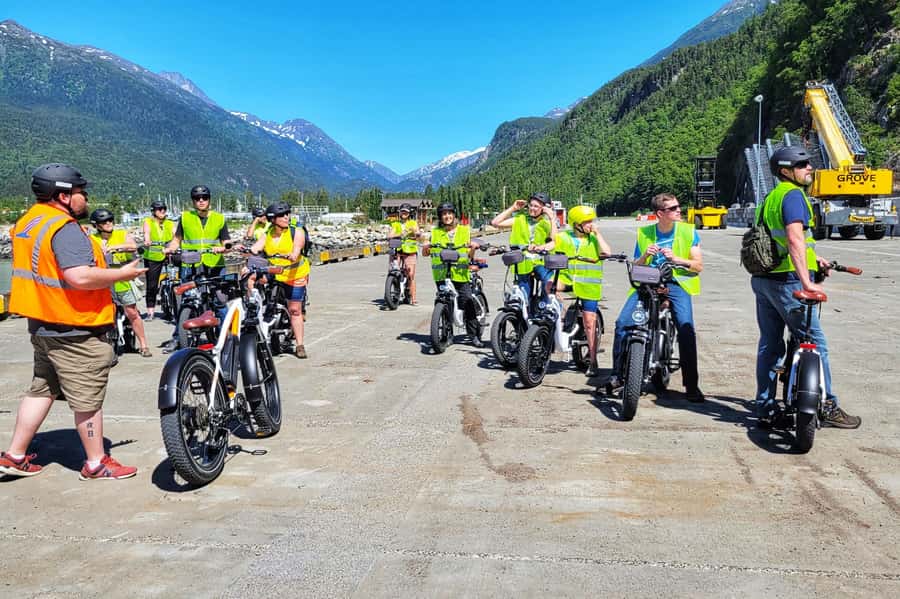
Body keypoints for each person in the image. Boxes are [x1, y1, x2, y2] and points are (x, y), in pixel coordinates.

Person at [0, 164, 145, 480]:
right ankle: (96, 463)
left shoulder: (30, 221)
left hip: (42, 323)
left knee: (42, 389)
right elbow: (78, 276)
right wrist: (123, 274)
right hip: (74, 326)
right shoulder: (64, 228)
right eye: (81, 192)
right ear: (63, 196)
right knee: (88, 395)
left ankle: (15, 454)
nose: (86, 197)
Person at [752, 146, 860, 428]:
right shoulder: (793, 195)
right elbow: (793, 239)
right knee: (816, 344)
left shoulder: (770, 197)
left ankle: (764, 405)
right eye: (802, 165)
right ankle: (827, 404)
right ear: (786, 172)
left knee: (770, 345)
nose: (809, 168)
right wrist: (806, 280)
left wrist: (815, 259)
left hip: (764, 279)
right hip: (788, 282)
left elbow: (782, 241)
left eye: (808, 163)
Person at [611, 193, 705, 402]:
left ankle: (691, 386)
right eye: (673, 208)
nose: (679, 210)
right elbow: (636, 265)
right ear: (660, 214)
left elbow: (698, 265)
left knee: (686, 329)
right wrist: (645, 255)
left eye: (678, 206)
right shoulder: (645, 232)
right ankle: (617, 376)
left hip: (677, 283)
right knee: (622, 324)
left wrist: (677, 259)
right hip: (648, 282)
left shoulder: (688, 231)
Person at [535, 205, 611, 376]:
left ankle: (592, 360)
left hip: (588, 285)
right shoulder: (565, 237)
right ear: (576, 224)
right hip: (568, 279)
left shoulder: (593, 239)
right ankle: (554, 314)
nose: (591, 224)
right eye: (587, 222)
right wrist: (539, 248)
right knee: (549, 284)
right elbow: (552, 243)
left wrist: (597, 233)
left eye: (592, 221)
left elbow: (606, 252)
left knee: (589, 322)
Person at [162, 185, 230, 353]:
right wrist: (170, 248)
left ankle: (227, 338)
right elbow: (177, 239)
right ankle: (179, 337)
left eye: (204, 198)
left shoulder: (219, 218)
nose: (201, 201)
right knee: (186, 300)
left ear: (209, 199)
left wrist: (224, 247)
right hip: (190, 263)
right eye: (197, 198)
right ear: (193, 201)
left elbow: (226, 241)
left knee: (220, 302)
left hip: (214, 264)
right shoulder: (185, 217)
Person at [89, 209, 152, 357]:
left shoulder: (121, 234)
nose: (109, 223)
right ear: (97, 225)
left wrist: (115, 247)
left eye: (110, 220)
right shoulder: (92, 239)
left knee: (132, 312)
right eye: (104, 222)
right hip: (103, 280)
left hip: (122, 279)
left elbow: (132, 246)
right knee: (101, 313)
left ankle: (143, 344)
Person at [250, 202, 309, 359]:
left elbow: (297, 248)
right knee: (251, 277)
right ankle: (253, 308)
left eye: (287, 214)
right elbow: (256, 248)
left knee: (295, 309)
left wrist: (293, 254)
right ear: (272, 219)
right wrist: (248, 251)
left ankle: (300, 345)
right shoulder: (268, 233)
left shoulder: (296, 231)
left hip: (295, 274)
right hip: (274, 273)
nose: (286, 217)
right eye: (282, 215)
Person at [421, 202, 482, 346]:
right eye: (444, 214)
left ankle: (473, 335)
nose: (447, 216)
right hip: (441, 274)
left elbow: (469, 253)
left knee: (467, 300)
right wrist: (426, 247)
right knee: (444, 303)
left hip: (460, 272)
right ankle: (448, 335)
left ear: (454, 215)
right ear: (440, 217)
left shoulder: (464, 230)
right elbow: (425, 253)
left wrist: (473, 248)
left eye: (449, 213)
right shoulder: (435, 232)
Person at [490, 192, 558, 305]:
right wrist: (513, 208)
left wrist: (551, 218)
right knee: (523, 300)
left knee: (548, 283)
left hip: (540, 263)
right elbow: (495, 223)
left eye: (536, 206)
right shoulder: (520, 219)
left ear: (544, 208)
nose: (532, 208)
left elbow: (554, 241)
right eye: (531, 205)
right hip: (522, 263)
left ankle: (547, 307)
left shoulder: (546, 223)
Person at [141, 199, 174, 322]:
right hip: (152, 255)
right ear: (154, 211)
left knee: (178, 277)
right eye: (160, 209)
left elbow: (175, 235)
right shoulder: (148, 222)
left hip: (168, 253)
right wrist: (147, 240)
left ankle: (176, 305)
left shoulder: (170, 223)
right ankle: (150, 311)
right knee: (152, 284)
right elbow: (147, 233)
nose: (162, 211)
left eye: (164, 209)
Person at [387, 203, 420, 305]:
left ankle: (413, 298)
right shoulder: (395, 224)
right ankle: (390, 290)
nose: (404, 213)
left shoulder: (413, 223)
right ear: (400, 213)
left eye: (406, 212)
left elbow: (417, 233)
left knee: (410, 274)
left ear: (409, 213)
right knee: (393, 269)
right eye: (402, 211)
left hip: (410, 250)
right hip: (397, 249)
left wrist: (415, 233)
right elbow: (390, 235)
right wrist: (400, 234)